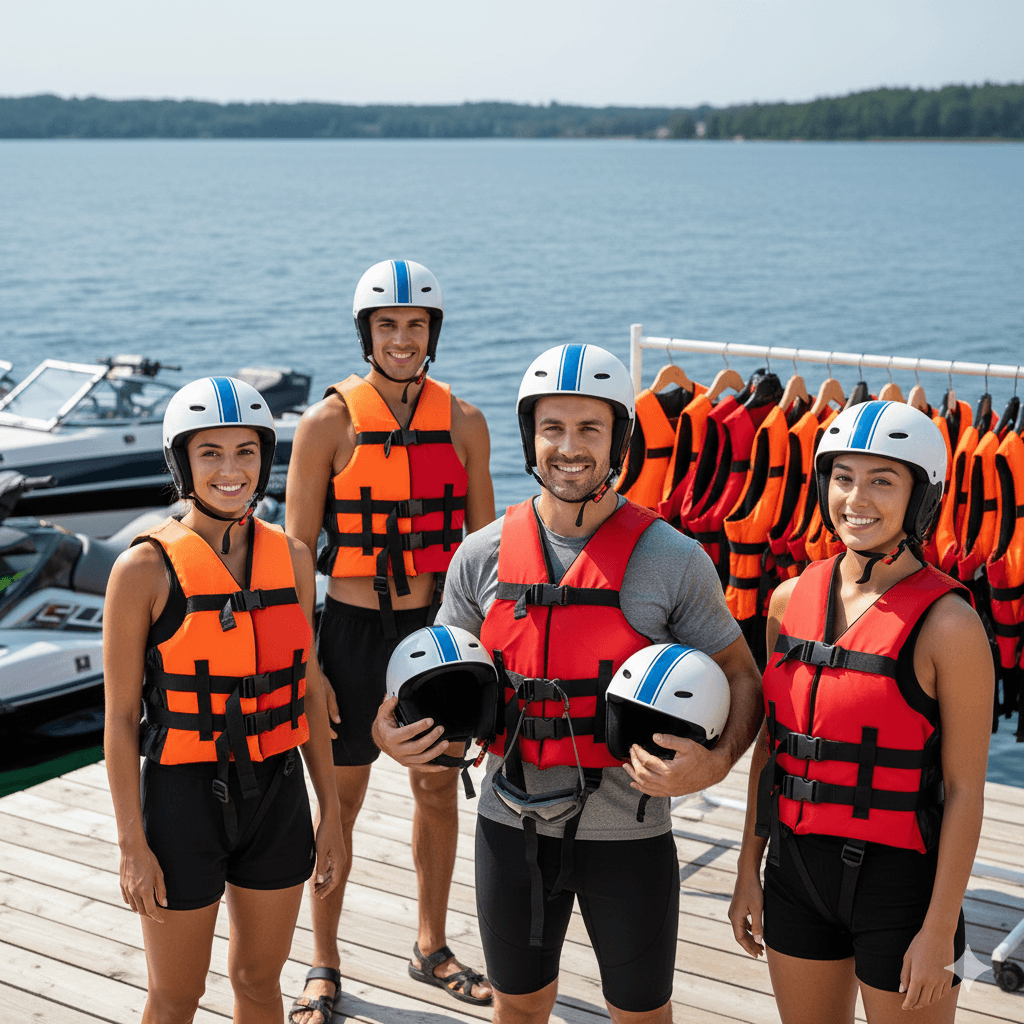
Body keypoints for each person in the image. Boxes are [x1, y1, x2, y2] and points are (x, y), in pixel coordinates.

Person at [373, 344, 763, 1024]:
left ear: (619, 440)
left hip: (631, 833)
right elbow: (431, 673)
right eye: (552, 428)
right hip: (509, 825)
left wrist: (716, 761)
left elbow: (742, 675)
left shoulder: (673, 558)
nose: (570, 447)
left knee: (641, 1016)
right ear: (531, 437)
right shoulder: (481, 554)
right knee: (519, 1009)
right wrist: (388, 729)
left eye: (590, 428)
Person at [728, 400, 993, 1024]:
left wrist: (938, 930)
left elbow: (965, 791)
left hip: (901, 888)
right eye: (843, 478)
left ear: (920, 497)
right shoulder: (788, 599)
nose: (857, 498)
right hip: (795, 871)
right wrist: (747, 868)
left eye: (882, 481)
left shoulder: (950, 625)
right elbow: (774, 748)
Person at [286, 259, 495, 1018]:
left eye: (414, 325)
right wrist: (308, 664)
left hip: (435, 634)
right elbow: (296, 550)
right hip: (347, 635)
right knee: (338, 802)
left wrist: (488, 660)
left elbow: (485, 554)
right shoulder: (326, 424)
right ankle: (323, 961)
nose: (401, 339)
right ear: (366, 334)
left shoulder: (465, 422)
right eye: (387, 326)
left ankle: (431, 946)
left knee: (437, 788)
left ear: (432, 333)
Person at [104, 376, 344, 1024]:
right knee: (176, 997)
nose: (231, 470)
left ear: (265, 458)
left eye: (246, 451)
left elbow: (306, 691)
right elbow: (120, 720)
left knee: (260, 983)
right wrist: (131, 845)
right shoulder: (142, 570)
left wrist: (331, 814)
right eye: (210, 453)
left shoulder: (293, 558)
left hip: (277, 794)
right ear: (181, 462)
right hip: (182, 800)